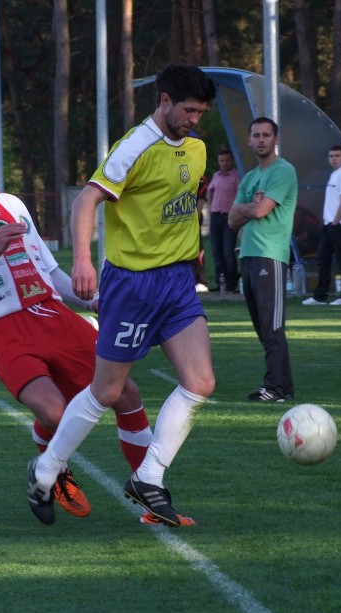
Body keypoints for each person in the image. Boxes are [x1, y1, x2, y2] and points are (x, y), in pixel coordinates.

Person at [0, 119, 166, 525]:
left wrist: (100, 302)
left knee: (126, 393)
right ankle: (50, 469)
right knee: (56, 412)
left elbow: (50, 274)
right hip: (1, 328)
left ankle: (150, 495)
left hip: (53, 313)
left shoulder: (12, 204)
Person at [26, 63, 217, 527]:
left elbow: (184, 204)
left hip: (175, 283)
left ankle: (148, 477)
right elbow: (85, 199)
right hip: (131, 286)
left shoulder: (198, 149)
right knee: (107, 391)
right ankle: (45, 470)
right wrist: (84, 261)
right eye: (189, 110)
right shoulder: (134, 147)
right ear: (165, 100)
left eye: (201, 112)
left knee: (201, 382)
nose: (194, 119)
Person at [228, 117, 297, 402]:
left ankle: (274, 388)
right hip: (249, 255)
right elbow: (232, 219)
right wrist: (252, 206)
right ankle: (284, 387)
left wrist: (251, 207)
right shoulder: (249, 177)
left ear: (276, 139)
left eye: (266, 135)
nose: (261, 140)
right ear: (249, 140)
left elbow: (258, 213)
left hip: (271, 256)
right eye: (256, 135)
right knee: (262, 328)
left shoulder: (283, 171)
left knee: (272, 327)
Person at [302, 145, 341, 306]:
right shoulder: (335, 174)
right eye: (331, 156)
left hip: (339, 224)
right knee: (323, 259)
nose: (334, 158)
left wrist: (335, 221)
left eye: (337, 156)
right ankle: (320, 296)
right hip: (329, 224)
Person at [206, 149, 242, 293]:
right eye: (221, 160)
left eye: (227, 160)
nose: (224, 163)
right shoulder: (216, 175)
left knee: (228, 251)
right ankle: (219, 281)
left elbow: (240, 195)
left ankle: (231, 282)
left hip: (229, 217)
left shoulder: (236, 176)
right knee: (216, 251)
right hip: (215, 216)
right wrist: (210, 207)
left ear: (231, 161)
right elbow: (210, 190)